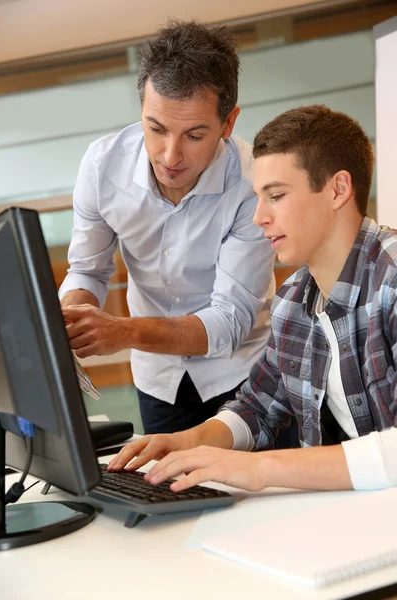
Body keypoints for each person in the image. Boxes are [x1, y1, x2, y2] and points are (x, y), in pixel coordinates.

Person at [108, 104, 397, 494]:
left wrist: (260, 468)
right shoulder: (294, 301)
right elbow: (259, 405)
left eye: (275, 195)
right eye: (258, 197)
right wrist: (186, 442)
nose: (259, 216)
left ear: (337, 189)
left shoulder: (392, 277)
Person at [59, 20, 276, 434]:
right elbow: (87, 269)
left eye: (194, 135)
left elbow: (229, 322)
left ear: (227, 125)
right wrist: (69, 319)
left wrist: (123, 332)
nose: (170, 155)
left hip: (242, 372)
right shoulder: (103, 167)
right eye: (156, 129)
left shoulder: (253, 184)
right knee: (171, 493)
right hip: (159, 379)